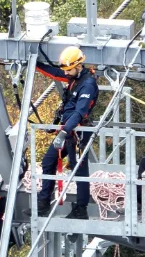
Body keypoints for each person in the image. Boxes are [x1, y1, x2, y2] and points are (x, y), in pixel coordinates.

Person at [29, 46, 99, 220]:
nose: (66, 73)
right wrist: (34, 64)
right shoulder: (73, 78)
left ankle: (81, 209)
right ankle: (43, 202)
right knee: (48, 161)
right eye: (65, 70)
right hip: (68, 131)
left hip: (78, 133)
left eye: (69, 70)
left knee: (80, 170)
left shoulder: (88, 84)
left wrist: (63, 132)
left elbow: (79, 112)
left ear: (78, 65)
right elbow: (54, 72)